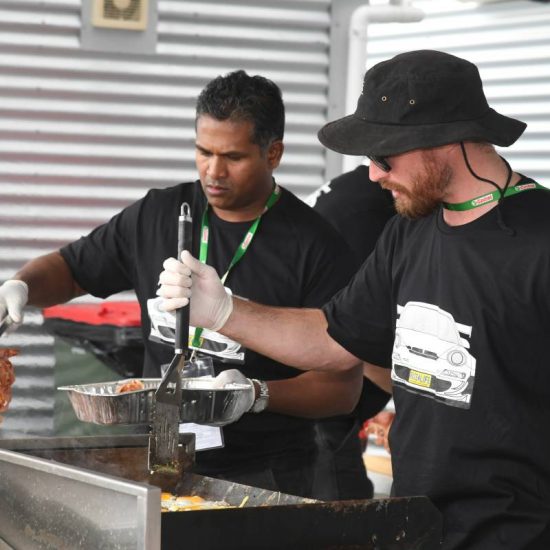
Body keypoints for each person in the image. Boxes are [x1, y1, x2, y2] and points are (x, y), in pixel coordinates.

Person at [157, 50, 550, 549]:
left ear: (445, 141)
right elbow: (335, 339)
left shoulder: (540, 241)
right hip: (417, 524)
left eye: (383, 156)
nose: (372, 175)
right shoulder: (409, 234)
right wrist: (225, 311)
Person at [0, 70, 363, 498]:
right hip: (158, 458)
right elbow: (72, 267)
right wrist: (21, 285)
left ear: (273, 153)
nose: (214, 171)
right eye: (203, 151)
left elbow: (342, 389)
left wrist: (256, 394)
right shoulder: (158, 213)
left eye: (233, 156)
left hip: (266, 472)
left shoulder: (316, 245)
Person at [306, 166, 395, 500]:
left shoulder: (354, 189)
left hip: (321, 384)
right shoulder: (371, 211)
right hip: (322, 396)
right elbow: (350, 329)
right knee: (343, 520)